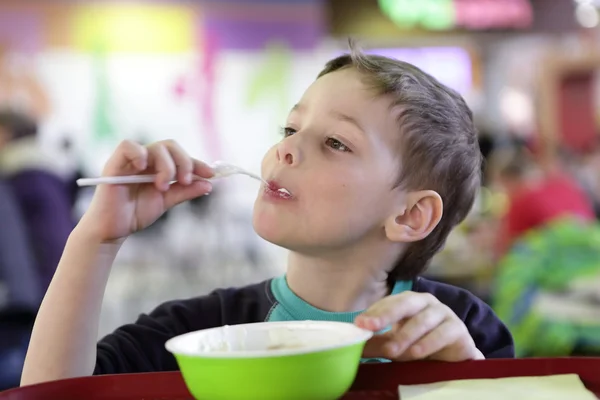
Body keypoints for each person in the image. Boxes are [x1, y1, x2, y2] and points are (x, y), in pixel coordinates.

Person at [21, 44, 513, 385]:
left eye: (335, 142)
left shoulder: (460, 329)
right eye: (290, 127)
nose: (287, 150)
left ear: (409, 215)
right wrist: (96, 240)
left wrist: (466, 377)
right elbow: (54, 393)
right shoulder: (202, 334)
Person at [0, 110, 75, 293]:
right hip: (61, 272)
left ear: (7, 132)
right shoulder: (43, 167)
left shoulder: (20, 175)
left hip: (39, 281)